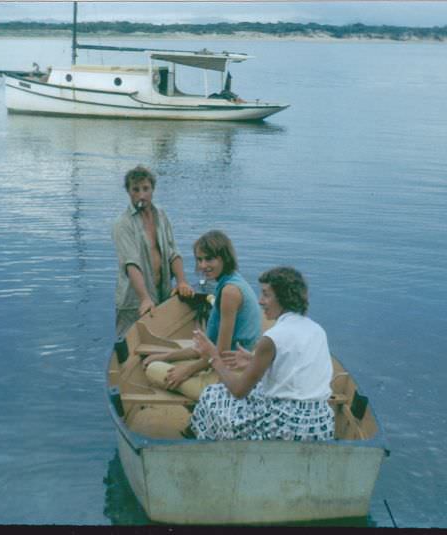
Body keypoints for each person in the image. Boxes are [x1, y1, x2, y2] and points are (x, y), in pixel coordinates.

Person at [189, 266, 335, 441]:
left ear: (283, 297)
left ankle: (202, 439)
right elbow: (294, 368)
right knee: (257, 391)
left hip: (286, 426)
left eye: (266, 294)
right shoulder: (317, 330)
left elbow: (238, 391)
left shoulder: (272, 338)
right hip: (321, 422)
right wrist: (253, 360)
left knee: (212, 395)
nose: (260, 301)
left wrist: (213, 356)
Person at [143, 230, 261, 399]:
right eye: (199, 259)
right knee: (164, 361)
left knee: (152, 369)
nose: (203, 265)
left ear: (224, 258)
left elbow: (219, 354)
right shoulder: (233, 281)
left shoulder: (229, 293)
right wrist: (166, 356)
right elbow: (208, 349)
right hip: (237, 365)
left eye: (209, 259)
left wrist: (186, 371)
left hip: (228, 379)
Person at [112, 165, 193, 338]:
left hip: (162, 295)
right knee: (129, 349)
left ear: (152, 189)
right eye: (136, 190)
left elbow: (173, 252)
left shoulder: (161, 216)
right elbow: (131, 264)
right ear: (128, 191)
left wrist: (181, 282)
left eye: (145, 189)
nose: (141, 195)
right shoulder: (122, 224)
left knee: (161, 343)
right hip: (134, 302)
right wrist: (144, 298)